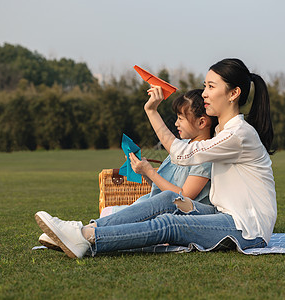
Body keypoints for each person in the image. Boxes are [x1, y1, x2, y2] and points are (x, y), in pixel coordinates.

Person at [35, 58, 277, 259]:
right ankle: (83, 230)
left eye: (211, 87)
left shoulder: (238, 135)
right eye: (205, 86)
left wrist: (152, 111)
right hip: (221, 214)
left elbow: (182, 154)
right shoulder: (222, 133)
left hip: (247, 228)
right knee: (171, 199)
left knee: (171, 225)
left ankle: (87, 238)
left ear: (234, 93)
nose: (204, 93)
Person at [38, 89, 217, 249]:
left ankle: (81, 233)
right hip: (163, 207)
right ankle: (80, 233)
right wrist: (142, 170)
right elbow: (163, 187)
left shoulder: (205, 156)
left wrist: (150, 172)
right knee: (116, 211)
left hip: (183, 216)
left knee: (122, 214)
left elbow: (183, 197)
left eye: (181, 118)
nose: (176, 124)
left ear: (202, 122)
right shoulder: (183, 147)